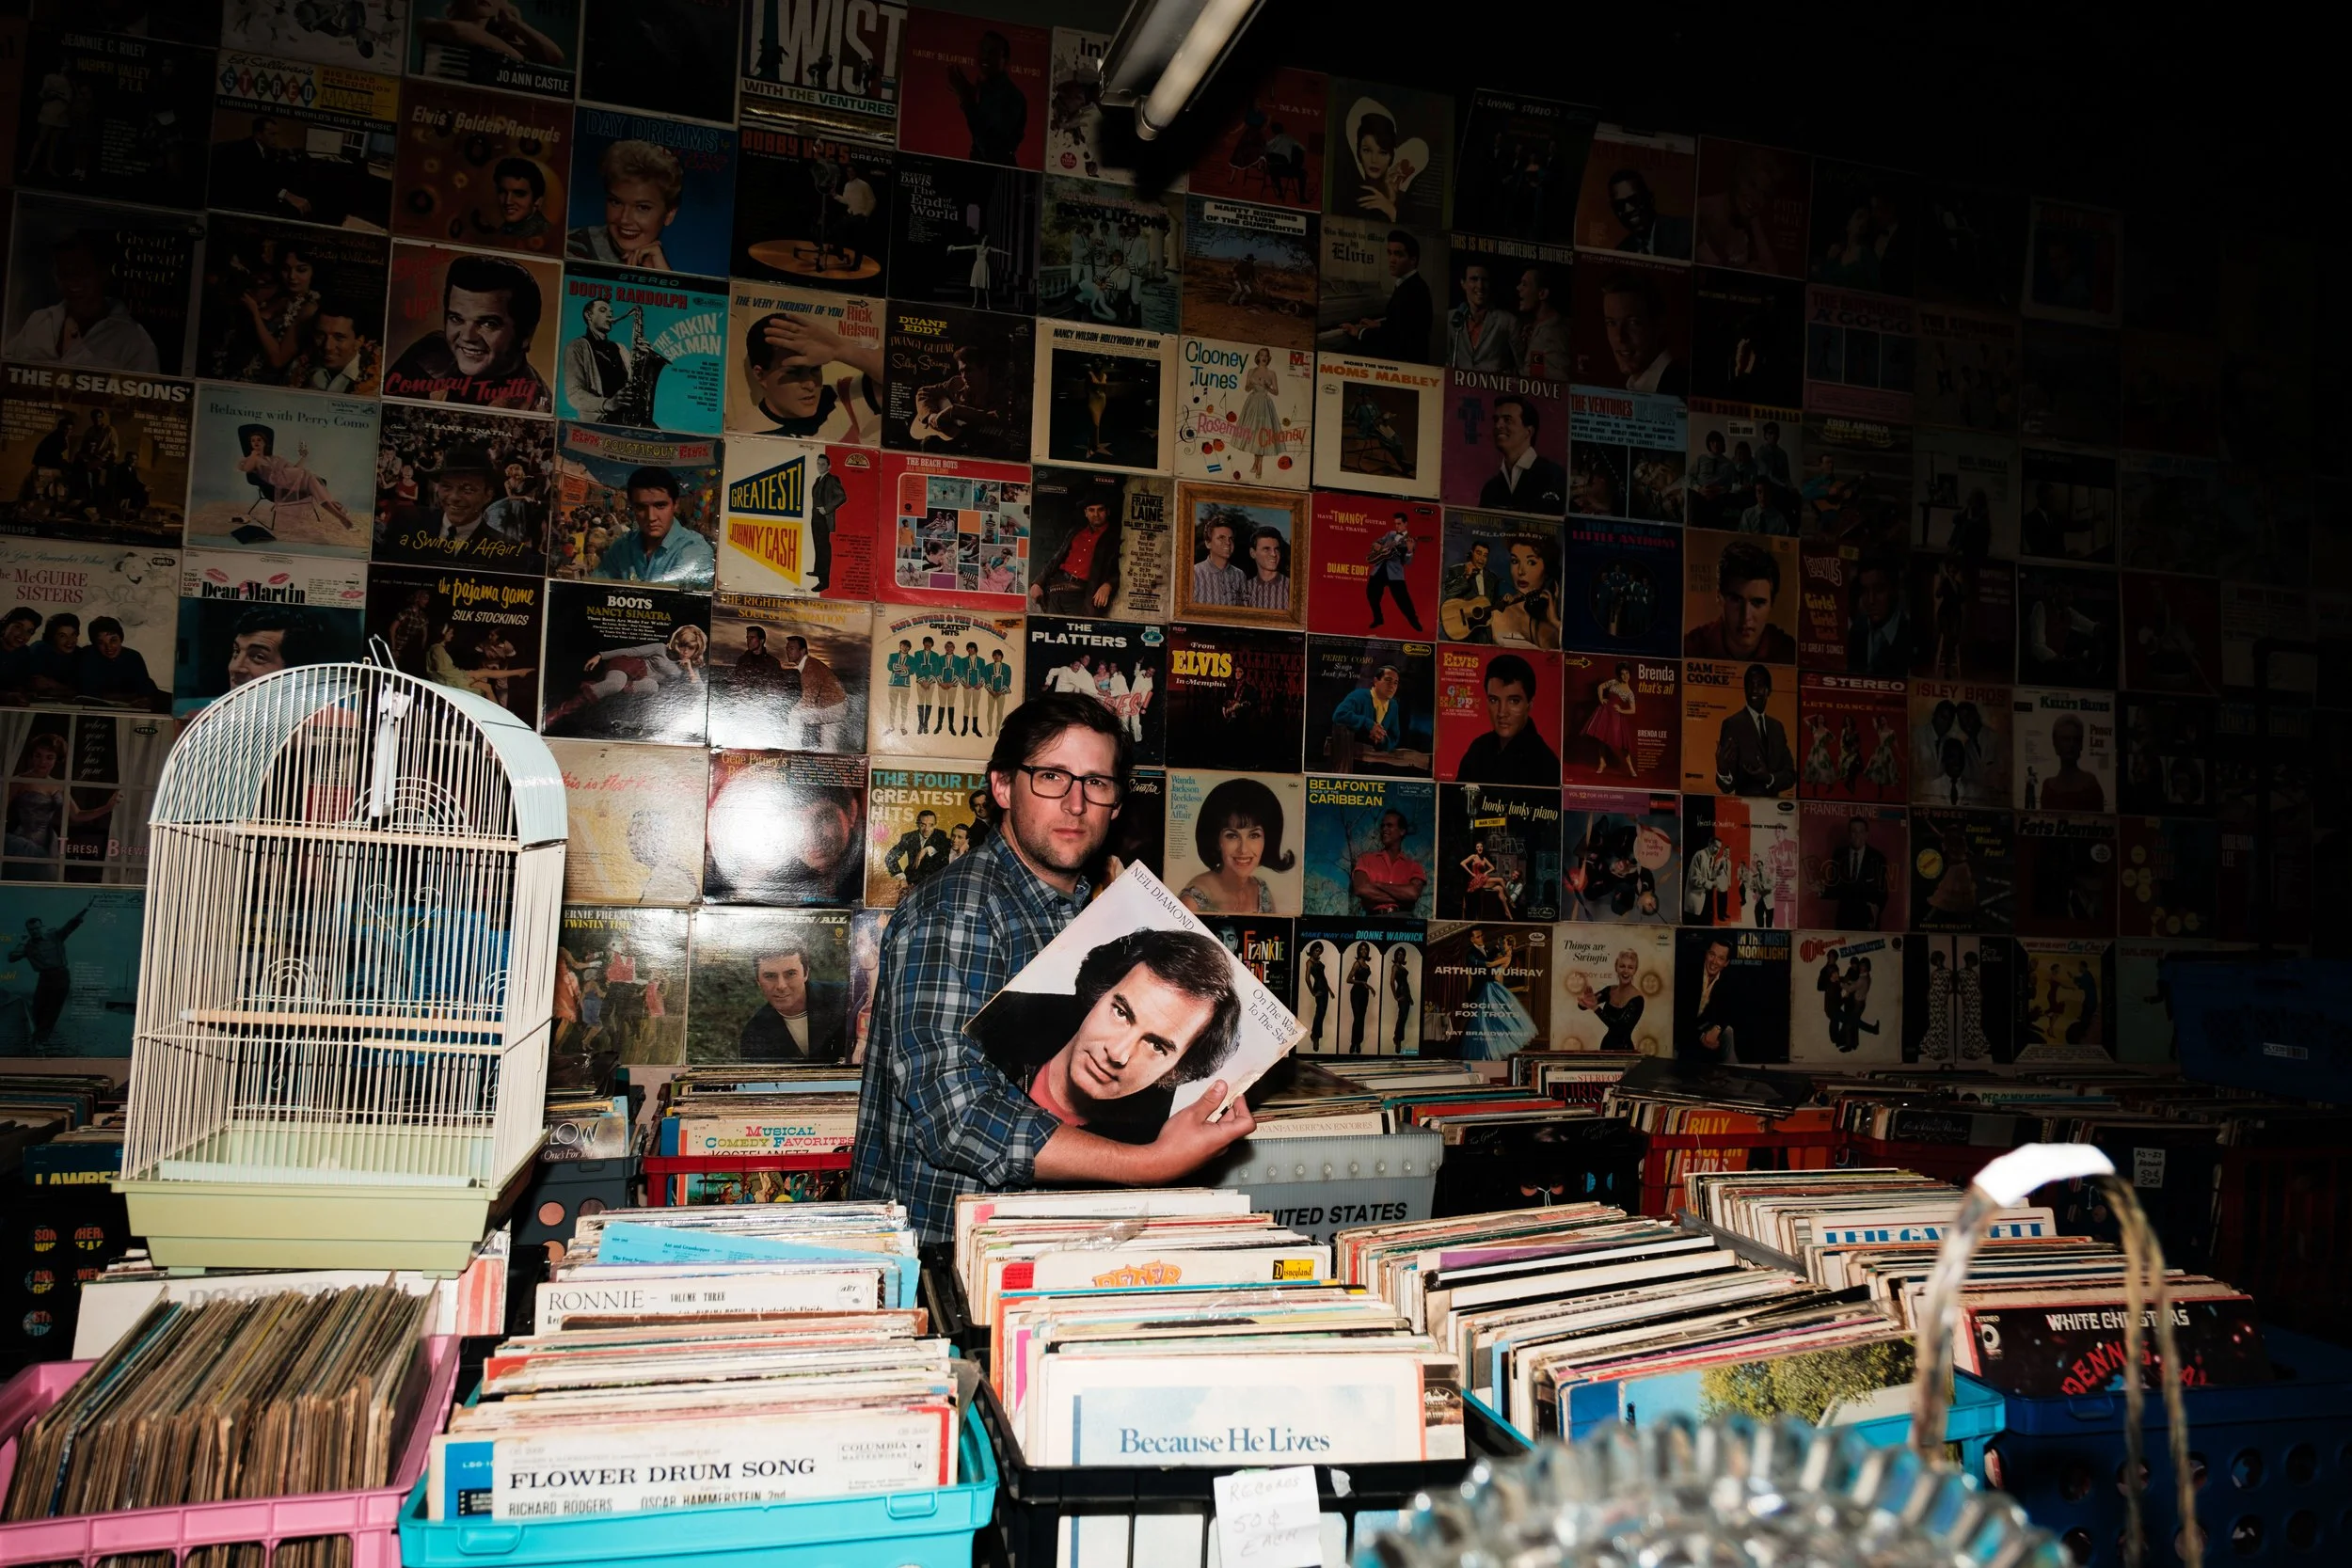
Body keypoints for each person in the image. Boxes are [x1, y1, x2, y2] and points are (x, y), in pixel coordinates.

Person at [850, 694, 1254, 1240]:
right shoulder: (962, 908)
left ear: (1115, 806)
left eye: (1096, 783)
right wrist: (1151, 1165)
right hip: (950, 1258)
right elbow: (958, 1116)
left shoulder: (1091, 912)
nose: (1075, 804)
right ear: (1001, 787)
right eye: (1052, 777)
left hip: (1035, 1245)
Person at [384, 253, 550, 411]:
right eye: (457, 319)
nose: (467, 337)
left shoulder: (538, 408)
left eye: (488, 323)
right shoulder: (429, 353)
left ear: (526, 335)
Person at [4, 230, 160, 371]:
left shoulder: (134, 340)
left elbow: (148, 400)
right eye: (64, 273)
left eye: (81, 271)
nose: (72, 281)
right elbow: (5, 370)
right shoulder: (38, 321)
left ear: (103, 273)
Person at [741, 313, 882, 445]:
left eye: (815, 369)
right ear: (760, 375)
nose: (810, 384)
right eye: (794, 373)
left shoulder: (843, 397)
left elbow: (899, 379)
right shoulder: (746, 433)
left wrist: (840, 349)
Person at [387, 443, 536, 553]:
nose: (454, 497)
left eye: (467, 489)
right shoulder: (405, 528)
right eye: (446, 486)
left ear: (488, 495)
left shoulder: (505, 549)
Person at [1179, 775, 1293, 914]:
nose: (1243, 849)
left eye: (1254, 835)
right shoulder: (1193, 901)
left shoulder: (1261, 890)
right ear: (1216, 840)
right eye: (1232, 836)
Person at [567, 140, 683, 269]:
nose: (624, 219)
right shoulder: (572, 248)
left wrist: (664, 278)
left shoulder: (656, 261)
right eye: (616, 202)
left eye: (642, 207)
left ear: (669, 214)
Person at [589, 467, 713, 585]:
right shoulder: (622, 547)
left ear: (675, 505)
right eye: (641, 507)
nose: (651, 517)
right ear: (632, 507)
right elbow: (597, 591)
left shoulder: (695, 549)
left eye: (660, 506)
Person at [1455, 654, 1561, 785]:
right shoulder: (1478, 748)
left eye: (1513, 701)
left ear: (1530, 704)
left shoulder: (1546, 764)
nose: (1501, 712)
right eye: (1494, 700)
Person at [1685, 538, 1796, 661]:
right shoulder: (1691, 648)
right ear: (1719, 596)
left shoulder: (1788, 652)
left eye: (1757, 603)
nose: (1746, 617)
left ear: (1772, 603)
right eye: (1736, 600)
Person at [739, 941, 848, 1062]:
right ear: (758, 981)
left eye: (790, 974)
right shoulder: (753, 1034)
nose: (781, 986)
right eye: (770, 976)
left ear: (806, 973)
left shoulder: (845, 998)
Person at [8, 902, 92, 1051]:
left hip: (61, 976)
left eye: (36, 928)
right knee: (38, 1008)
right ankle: (38, 1035)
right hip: (44, 977)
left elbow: (71, 925)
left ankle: (40, 1040)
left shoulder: (54, 936)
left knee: (52, 1011)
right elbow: (12, 957)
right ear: (28, 931)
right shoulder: (27, 946)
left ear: (41, 927)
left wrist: (85, 910)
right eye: (31, 930)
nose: (35, 932)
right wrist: (21, 942)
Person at [1341, 230, 1433, 362]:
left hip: (1406, 363)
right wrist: (1379, 325)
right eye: (1389, 253)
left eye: (1398, 254)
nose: (1391, 260)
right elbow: (1402, 324)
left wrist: (1359, 332)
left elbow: (1396, 337)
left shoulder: (1414, 289)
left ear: (1413, 260)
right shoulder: (1409, 284)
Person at [1598, 269, 1687, 396]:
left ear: (1658, 325)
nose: (1619, 337)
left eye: (1633, 323)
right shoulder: (1634, 386)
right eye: (1611, 323)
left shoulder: (1680, 388)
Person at [1694, 148, 1784, 273]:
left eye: (1764, 193)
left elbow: (1772, 270)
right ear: (1738, 177)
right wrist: (1742, 272)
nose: (1756, 198)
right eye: (1752, 185)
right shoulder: (1701, 209)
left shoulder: (1750, 218)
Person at [1714, 662, 1797, 796]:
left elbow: (1790, 775)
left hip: (1775, 812)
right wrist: (1722, 771)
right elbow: (1726, 787)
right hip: (1744, 810)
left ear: (1768, 691)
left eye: (1759, 684)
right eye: (1750, 684)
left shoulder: (1777, 727)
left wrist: (1769, 778)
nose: (1754, 689)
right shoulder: (1732, 724)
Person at [947, 30, 1027, 165]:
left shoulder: (1011, 97)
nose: (985, 57)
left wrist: (967, 101)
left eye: (993, 52)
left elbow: (990, 150)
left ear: (1005, 59)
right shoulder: (986, 88)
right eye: (983, 50)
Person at [1330, 663, 1427, 772]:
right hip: (1350, 762)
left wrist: (1382, 740)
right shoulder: (1359, 696)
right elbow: (1339, 715)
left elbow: (1394, 737)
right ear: (1376, 681)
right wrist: (1369, 724)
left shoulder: (1393, 705)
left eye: (1395, 683)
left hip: (1377, 765)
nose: (1392, 686)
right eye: (1388, 680)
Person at [1456, 928, 1535, 1060]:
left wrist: (1486, 960)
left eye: (1504, 944)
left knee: (1489, 1019)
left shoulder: (1505, 957)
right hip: (1487, 988)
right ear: (1472, 939)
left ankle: (1489, 1051)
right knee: (1488, 1020)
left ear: (1509, 945)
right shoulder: (1477, 953)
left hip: (1492, 987)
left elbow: (1490, 963)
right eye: (1479, 936)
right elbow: (1484, 962)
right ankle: (1487, 1050)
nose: (1482, 937)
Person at [1479, 396, 1566, 514]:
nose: (1498, 426)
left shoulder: (1555, 476)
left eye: (1507, 420)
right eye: (1496, 420)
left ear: (1529, 431)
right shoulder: (1490, 489)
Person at [223, 605, 326, 691]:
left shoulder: (331, 715)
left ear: (295, 672)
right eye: (237, 651)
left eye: (258, 657)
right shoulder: (210, 714)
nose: (235, 668)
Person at [1350, 807, 1427, 916]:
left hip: (1403, 918)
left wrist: (1378, 884)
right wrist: (1401, 897)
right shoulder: (1365, 859)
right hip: (1374, 918)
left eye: (1389, 825)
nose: (1384, 829)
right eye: (1382, 826)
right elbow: (1361, 889)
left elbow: (1413, 894)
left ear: (1402, 831)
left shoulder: (1414, 866)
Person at [1677, 937, 1743, 1065]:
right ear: (1706, 954)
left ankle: (1733, 1073)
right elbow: (1680, 1018)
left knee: (1728, 1031)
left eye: (1721, 958)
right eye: (1712, 954)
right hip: (1682, 1032)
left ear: (1726, 963)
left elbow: (1731, 1010)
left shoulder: (1728, 981)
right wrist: (1702, 1037)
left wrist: (1717, 1028)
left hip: (1704, 1026)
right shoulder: (1688, 973)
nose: (1714, 962)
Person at [290, 301, 377, 394]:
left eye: (339, 337)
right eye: (320, 335)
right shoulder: (298, 366)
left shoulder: (375, 378)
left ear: (358, 342)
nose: (328, 347)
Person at [1447, 262, 1519, 372]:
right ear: (1463, 283)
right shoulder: (1450, 318)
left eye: (1484, 280)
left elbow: (1522, 367)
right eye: (1474, 279)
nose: (1480, 286)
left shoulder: (1507, 321)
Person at [75, 616, 159, 706]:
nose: (109, 647)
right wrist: (129, 697)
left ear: (121, 638)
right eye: (101, 643)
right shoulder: (87, 655)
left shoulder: (133, 657)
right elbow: (86, 692)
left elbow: (145, 689)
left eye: (113, 640)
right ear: (94, 644)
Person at [1575, 947, 1647, 1053]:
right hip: (1605, 1047)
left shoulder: (1638, 999)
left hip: (1624, 1052)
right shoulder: (1609, 990)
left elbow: (1619, 1029)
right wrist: (1586, 1002)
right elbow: (1582, 1006)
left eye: (1630, 967)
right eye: (1622, 966)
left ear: (1635, 970)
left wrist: (1595, 1008)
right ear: (1616, 967)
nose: (1625, 971)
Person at [1607, 167, 1690, 257]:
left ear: (1650, 198)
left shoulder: (1686, 232)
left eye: (1634, 199)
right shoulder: (1621, 252)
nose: (1628, 209)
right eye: (1619, 205)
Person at [1825, 816, 1890, 930]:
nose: (1857, 835)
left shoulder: (1878, 858)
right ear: (1849, 835)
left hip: (1867, 921)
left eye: (1861, 832)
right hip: (1844, 920)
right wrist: (1821, 891)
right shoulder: (1839, 855)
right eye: (1854, 831)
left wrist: (1875, 910)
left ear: (1866, 835)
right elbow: (1835, 888)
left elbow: (1882, 892)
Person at [1845, 558, 1907, 675]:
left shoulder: (1910, 633)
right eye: (1865, 591)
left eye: (1879, 590)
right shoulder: (1857, 630)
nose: (1871, 600)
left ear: (1894, 589)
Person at [1581, 661, 1641, 778]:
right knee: (1601, 738)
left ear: (1630, 674)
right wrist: (1601, 698)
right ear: (1619, 675)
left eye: (1627, 673)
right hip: (1605, 712)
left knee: (1623, 745)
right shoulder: (1614, 682)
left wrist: (1621, 711)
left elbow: (1633, 710)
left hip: (1617, 717)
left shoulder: (1630, 693)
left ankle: (1631, 768)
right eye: (1622, 674)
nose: (1625, 676)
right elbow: (1600, 687)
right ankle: (1602, 763)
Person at [2036, 713, 2106, 812]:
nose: (2071, 744)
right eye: (2066, 739)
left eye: (2076, 740)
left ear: (2081, 745)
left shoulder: (2090, 784)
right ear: (2056, 744)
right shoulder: (2049, 787)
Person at [1364, 512, 1421, 630]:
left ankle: (1414, 622)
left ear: (1406, 524)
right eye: (1395, 524)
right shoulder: (1390, 534)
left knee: (1403, 600)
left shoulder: (1410, 541)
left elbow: (1407, 562)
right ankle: (1378, 619)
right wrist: (1377, 545)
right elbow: (1377, 541)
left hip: (1395, 573)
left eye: (1399, 524)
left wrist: (1410, 551)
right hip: (1379, 570)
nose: (1397, 526)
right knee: (1371, 594)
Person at [1511, 264, 1569, 381]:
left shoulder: (1552, 333)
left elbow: (1559, 382)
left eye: (1524, 284)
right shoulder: (1538, 328)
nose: (1518, 288)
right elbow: (1536, 370)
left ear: (1542, 293)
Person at [483, 157, 550, 242]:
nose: (508, 201)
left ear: (537, 200)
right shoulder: (504, 230)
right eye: (502, 192)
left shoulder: (545, 236)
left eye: (519, 194)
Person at [885, 808, 951, 891]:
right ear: (917, 824)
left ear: (935, 825)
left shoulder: (941, 835)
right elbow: (890, 858)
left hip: (934, 883)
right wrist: (901, 878)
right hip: (912, 883)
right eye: (923, 825)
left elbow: (948, 850)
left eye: (931, 825)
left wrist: (927, 849)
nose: (927, 829)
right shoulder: (908, 837)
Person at [1188, 513, 1245, 607]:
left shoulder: (1240, 576)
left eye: (1231, 539)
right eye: (1221, 538)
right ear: (1208, 543)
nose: (1228, 543)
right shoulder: (1193, 573)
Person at [1238, 525, 1290, 613]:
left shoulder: (1291, 588)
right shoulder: (1244, 588)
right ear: (1253, 553)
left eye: (1276, 549)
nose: (1274, 554)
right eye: (1266, 549)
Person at [1344, 942, 1375, 1053]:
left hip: (1364, 994)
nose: (1364, 951)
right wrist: (1362, 982)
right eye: (1361, 949)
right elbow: (1348, 979)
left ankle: (1359, 1043)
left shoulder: (1367, 966)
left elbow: (1365, 982)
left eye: (1365, 949)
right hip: (1356, 993)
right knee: (1357, 1018)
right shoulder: (1357, 964)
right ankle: (1353, 1043)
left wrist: (1370, 987)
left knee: (1361, 1018)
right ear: (1358, 951)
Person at [1387, 948, 1415, 1051]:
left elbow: (1406, 983)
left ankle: (1396, 1037)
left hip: (1406, 993)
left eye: (1402, 955)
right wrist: (1395, 996)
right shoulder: (1395, 967)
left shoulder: (1402, 967)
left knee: (1404, 1017)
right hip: (1401, 993)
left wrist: (1410, 997)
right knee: (1402, 1017)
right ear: (1395, 956)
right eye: (1398, 954)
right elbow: (1391, 982)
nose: (1400, 956)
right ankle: (1398, 1040)